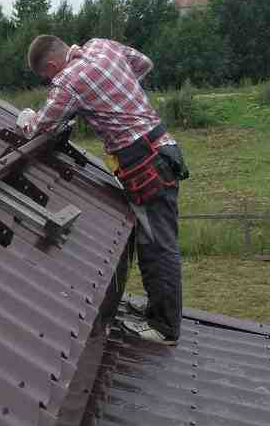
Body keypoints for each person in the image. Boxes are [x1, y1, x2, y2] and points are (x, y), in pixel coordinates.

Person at [17, 34, 187, 345]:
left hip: (144, 164)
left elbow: (40, 127)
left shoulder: (68, 80)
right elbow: (144, 63)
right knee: (150, 236)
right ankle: (156, 308)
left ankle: (164, 327)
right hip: (161, 148)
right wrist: (118, 94)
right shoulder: (102, 46)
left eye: (47, 76)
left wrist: (26, 117)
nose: (50, 81)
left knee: (158, 243)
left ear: (52, 65)